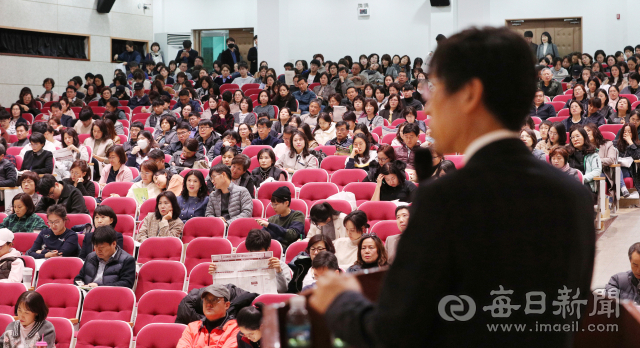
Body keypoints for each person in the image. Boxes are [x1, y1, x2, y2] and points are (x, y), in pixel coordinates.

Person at [310, 27, 596, 348]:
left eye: (436, 89)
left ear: (470, 94)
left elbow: (395, 335)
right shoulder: (574, 195)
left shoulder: (446, 198)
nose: (428, 107)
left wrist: (342, 300)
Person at [210, 228, 292, 294]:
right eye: (252, 253)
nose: (256, 257)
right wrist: (217, 272)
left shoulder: (280, 266)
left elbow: (283, 291)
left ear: (268, 249)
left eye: (259, 253)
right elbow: (228, 290)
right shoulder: (241, 265)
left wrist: (279, 271)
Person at [176, 284, 241, 348]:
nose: (209, 304)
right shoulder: (192, 327)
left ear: (226, 305)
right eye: (206, 300)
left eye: (215, 300)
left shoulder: (236, 328)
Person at [568, 125, 602, 194]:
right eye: (572, 137)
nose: (575, 139)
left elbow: (597, 171)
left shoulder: (593, 154)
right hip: (569, 183)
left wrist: (581, 178)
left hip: (587, 183)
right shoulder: (568, 153)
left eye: (578, 136)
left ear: (584, 137)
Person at [616, 122, 640, 192]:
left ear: (634, 133)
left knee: (619, 171)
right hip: (615, 168)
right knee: (616, 169)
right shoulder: (616, 144)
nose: (626, 133)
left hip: (630, 170)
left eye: (629, 132)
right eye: (624, 131)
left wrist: (630, 143)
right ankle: (622, 189)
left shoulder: (637, 145)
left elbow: (638, 157)